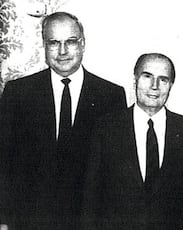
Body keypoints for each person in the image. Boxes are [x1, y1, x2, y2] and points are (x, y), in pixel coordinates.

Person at [0, 12, 127, 230]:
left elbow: (116, 173)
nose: (62, 51)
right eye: (54, 43)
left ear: (83, 43)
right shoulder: (18, 93)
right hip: (30, 222)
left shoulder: (111, 96)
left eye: (70, 41)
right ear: (44, 46)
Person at [82, 53, 183, 230]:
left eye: (163, 80)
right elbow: (90, 202)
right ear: (135, 80)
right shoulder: (106, 129)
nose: (154, 86)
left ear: (171, 86)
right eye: (147, 77)